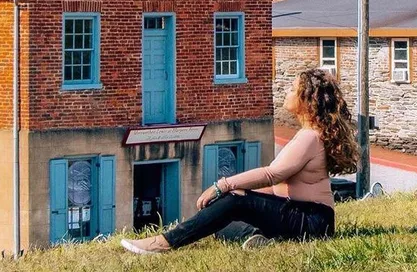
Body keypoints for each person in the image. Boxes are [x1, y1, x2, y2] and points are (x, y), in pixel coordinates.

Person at [121, 68, 359, 255]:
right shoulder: (311, 134)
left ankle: (164, 242)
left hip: (312, 221)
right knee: (220, 220)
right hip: (305, 217)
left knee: (232, 200)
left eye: (292, 89)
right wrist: (242, 197)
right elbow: (278, 186)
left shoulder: (308, 137)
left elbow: (271, 174)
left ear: (308, 100)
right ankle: (256, 239)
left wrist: (223, 185)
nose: (287, 91)